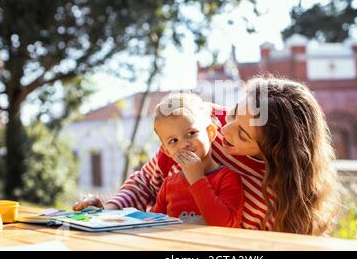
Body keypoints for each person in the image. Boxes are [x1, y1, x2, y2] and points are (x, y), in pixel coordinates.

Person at [74, 75, 340, 235]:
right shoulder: (198, 126)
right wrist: (107, 213)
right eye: (235, 112)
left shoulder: (276, 195)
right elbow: (146, 182)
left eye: (243, 135)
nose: (225, 129)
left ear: (273, 152)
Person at [150, 93, 243, 227]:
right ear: (167, 152)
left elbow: (224, 225)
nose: (183, 144)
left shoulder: (227, 178)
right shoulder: (168, 184)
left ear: (210, 132)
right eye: (173, 141)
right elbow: (154, 225)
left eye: (191, 133)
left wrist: (197, 180)